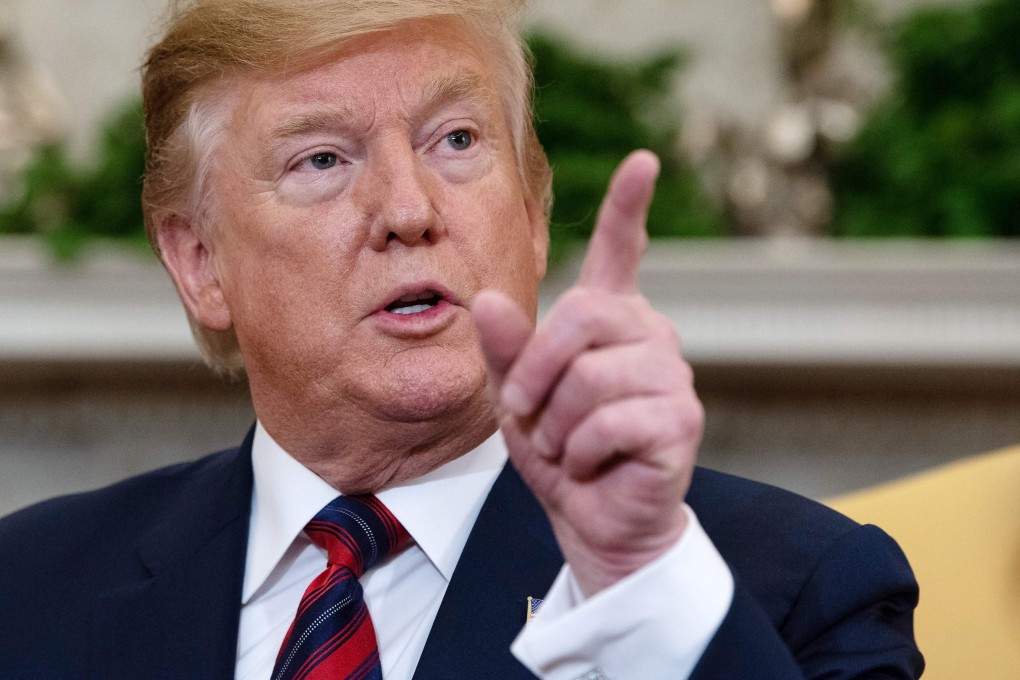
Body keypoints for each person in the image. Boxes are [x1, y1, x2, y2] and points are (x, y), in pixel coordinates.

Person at [0, 1, 922, 678]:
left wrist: (638, 586)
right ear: (200, 262)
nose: (409, 210)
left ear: (531, 214)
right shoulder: (26, 592)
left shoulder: (794, 590)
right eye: (321, 159)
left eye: (455, 140)